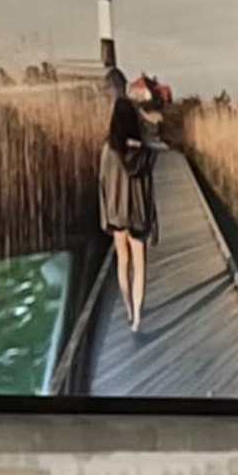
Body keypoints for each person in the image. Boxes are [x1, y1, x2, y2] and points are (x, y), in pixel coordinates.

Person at [97, 65, 157, 332]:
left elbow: (103, 184)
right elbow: (148, 188)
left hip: (117, 213)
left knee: (122, 262)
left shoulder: (107, 151)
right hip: (139, 215)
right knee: (141, 266)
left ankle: (128, 307)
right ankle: (137, 320)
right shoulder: (146, 153)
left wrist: (105, 216)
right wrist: (153, 219)